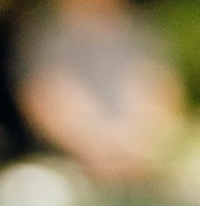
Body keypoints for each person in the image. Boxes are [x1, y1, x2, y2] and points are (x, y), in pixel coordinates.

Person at [14, 0, 184, 187]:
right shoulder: (45, 34)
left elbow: (161, 88)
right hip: (65, 171)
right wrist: (93, 146)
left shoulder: (140, 32)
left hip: (139, 169)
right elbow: (43, 94)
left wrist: (135, 143)